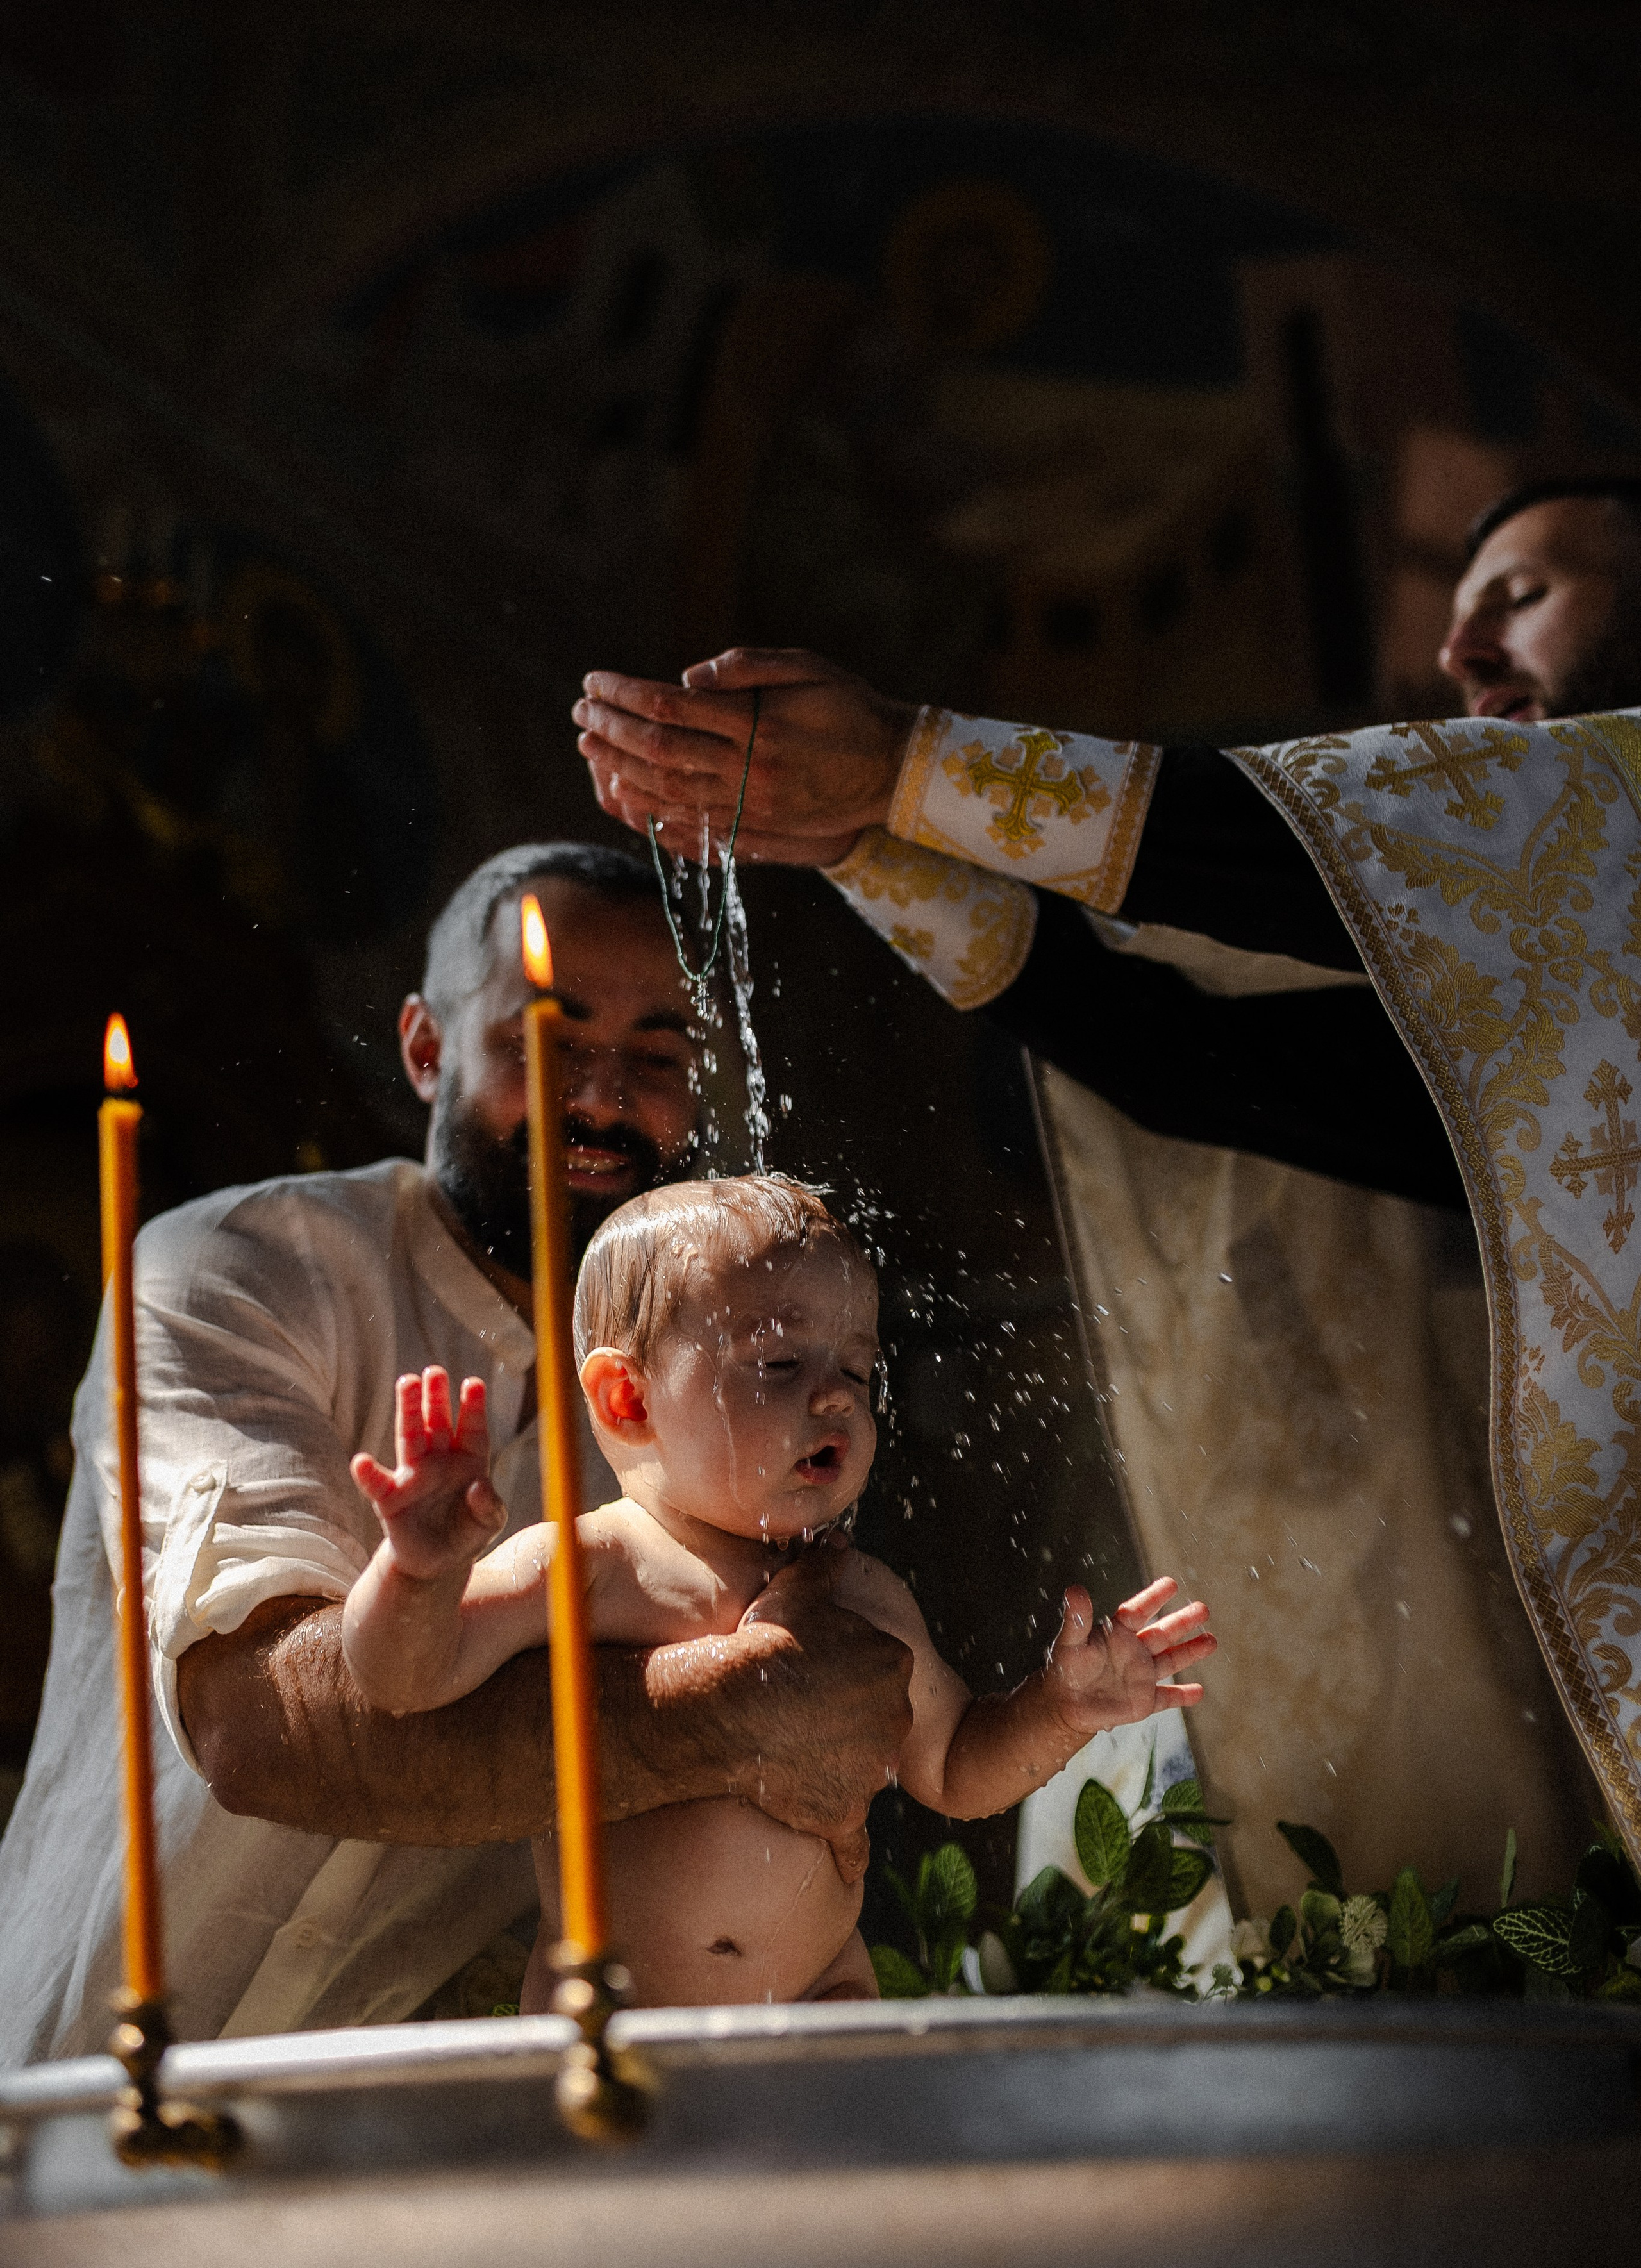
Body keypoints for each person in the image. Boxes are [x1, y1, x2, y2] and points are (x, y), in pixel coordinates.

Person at [0, 845, 913, 2063]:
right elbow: (259, 1725)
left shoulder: (737, 1409)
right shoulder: (225, 1268)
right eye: (550, 1037)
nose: (602, 1097)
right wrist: (734, 1710)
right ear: (428, 1049)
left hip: (427, 2113)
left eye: (660, 1056)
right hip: (96, 2072)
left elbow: (821, 1710)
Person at [571, 477, 1641, 1209]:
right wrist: (862, 844)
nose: (1459, 651)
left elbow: (1288, 851)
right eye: (1460, 619)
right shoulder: (1560, 1030)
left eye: (1525, 596)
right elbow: (1190, 1066)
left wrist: (901, 765)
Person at [340, 1174, 1215, 2006]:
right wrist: (418, 1571)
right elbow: (401, 1679)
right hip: (626, 2021)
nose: (835, 1397)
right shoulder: (590, 1566)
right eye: (782, 1363)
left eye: (859, 1372)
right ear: (627, 1400)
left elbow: (952, 1768)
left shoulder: (863, 1595)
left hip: (823, 1997)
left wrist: (1055, 1711)